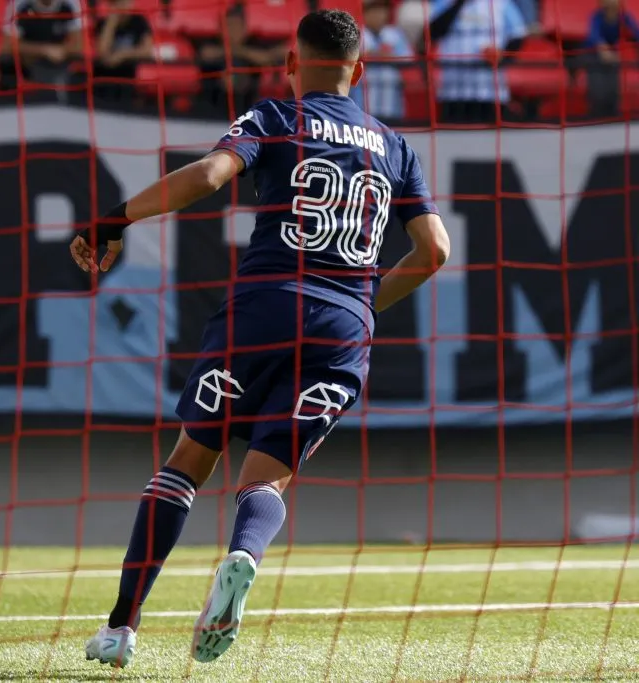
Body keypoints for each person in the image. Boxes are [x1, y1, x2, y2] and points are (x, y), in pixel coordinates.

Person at [69, 9, 450, 669]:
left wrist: (113, 217)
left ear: (291, 65)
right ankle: (244, 555)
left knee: (190, 458)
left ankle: (121, 627)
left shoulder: (277, 116)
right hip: (344, 325)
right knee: (267, 478)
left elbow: (209, 177)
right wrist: (366, 302)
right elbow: (434, 249)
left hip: (265, 305)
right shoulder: (395, 146)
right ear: (360, 70)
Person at [352, 0, 413, 123]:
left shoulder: (395, 35)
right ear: (365, 13)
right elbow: (343, 59)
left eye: (382, 10)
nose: (378, 15)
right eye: (373, 10)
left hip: (391, 101)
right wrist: (368, 55)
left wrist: (390, 56)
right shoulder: (355, 34)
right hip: (362, 102)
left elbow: (409, 58)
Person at [584, 0, 639, 117]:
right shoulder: (597, 17)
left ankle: (612, 112)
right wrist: (603, 49)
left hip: (612, 56)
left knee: (614, 88)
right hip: (593, 55)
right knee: (598, 90)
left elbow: (636, 32)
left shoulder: (624, 16)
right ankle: (596, 112)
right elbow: (594, 36)